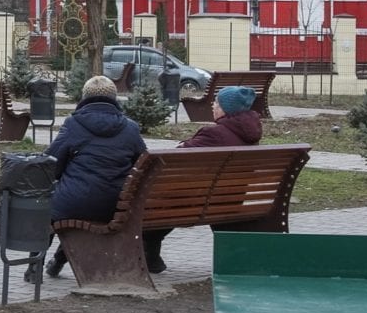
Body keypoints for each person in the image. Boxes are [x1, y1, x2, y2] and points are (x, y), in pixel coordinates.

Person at [141, 85, 262, 274]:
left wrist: (183, 145)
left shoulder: (214, 134)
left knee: (162, 204)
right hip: (231, 198)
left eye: (217, 102)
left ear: (225, 109)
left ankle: (148, 256)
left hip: (205, 200)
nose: (213, 105)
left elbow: (174, 158)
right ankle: (151, 257)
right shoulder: (249, 134)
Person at [38, 75, 147, 282]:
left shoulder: (74, 124)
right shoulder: (130, 127)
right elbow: (141, 163)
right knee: (74, 206)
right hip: (115, 206)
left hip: (74, 203)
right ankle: (58, 261)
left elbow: (52, 163)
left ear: (84, 97)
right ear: (115, 98)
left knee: (48, 210)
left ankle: (35, 266)